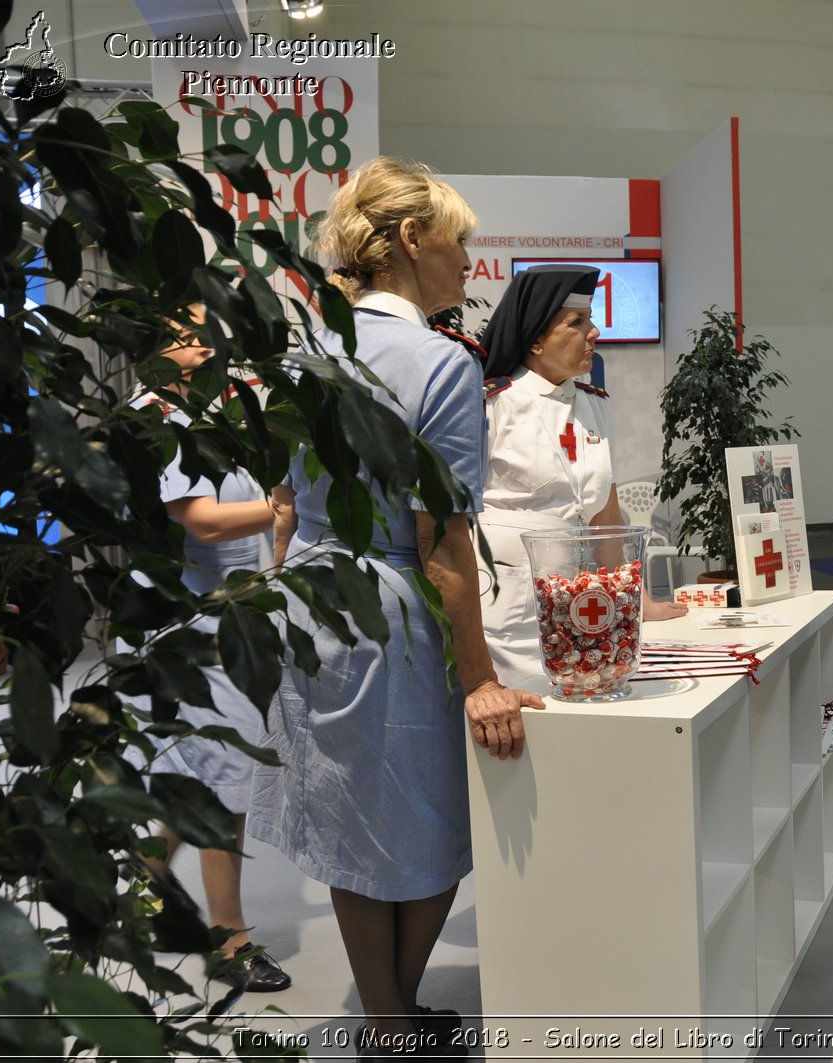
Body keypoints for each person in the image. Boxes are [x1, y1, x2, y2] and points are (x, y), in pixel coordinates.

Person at [248, 157, 543, 1058]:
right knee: (431, 820)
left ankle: (387, 1018)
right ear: (413, 240)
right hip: (392, 610)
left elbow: (286, 507)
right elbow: (441, 542)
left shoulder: (301, 352)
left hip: (307, 601)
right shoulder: (440, 364)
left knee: (346, 815)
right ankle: (394, 1021)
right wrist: (482, 680)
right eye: (460, 243)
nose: (470, 264)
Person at [132, 305, 291, 993]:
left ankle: (139, 882)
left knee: (201, 777)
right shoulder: (157, 417)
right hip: (193, 631)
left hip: (231, 622)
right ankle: (230, 938)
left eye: (206, 331)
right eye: (181, 332)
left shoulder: (222, 414)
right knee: (222, 786)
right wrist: (284, 507)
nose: (199, 344)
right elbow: (200, 521)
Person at [475, 264, 684, 685]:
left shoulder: (595, 405)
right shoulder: (490, 405)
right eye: (577, 322)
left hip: (580, 607)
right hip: (506, 613)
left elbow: (608, 520)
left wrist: (639, 604)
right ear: (535, 339)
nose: (595, 332)